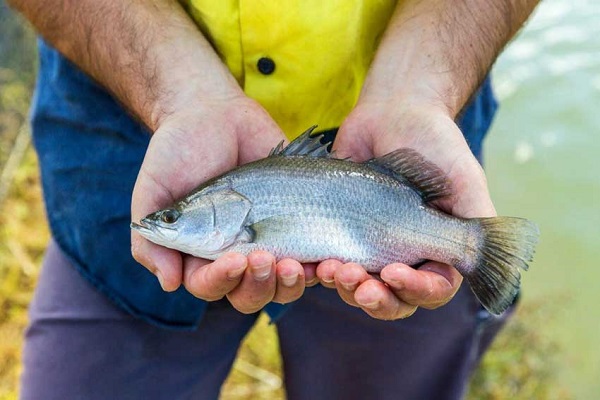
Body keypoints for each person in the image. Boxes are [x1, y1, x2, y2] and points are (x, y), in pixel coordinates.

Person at [9, 1, 539, 399]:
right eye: (171, 217)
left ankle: (475, 247)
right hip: (134, 131)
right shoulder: (189, 187)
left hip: (412, 117)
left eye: (173, 218)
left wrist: (417, 87)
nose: (163, 222)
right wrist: (180, 93)